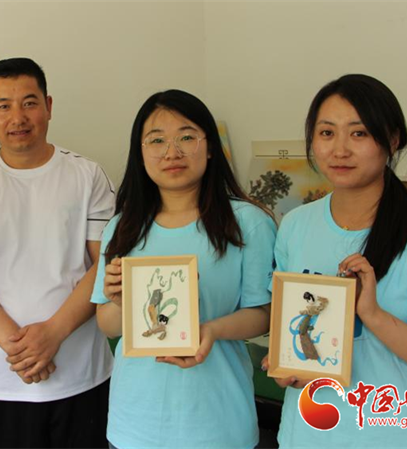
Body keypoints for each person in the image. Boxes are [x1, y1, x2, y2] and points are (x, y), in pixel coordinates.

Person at [267, 74, 407, 448]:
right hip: (305, 435)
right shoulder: (295, 225)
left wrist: (372, 314)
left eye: (358, 133)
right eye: (327, 133)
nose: (339, 149)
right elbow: (289, 327)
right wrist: (284, 365)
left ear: (392, 140)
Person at [0, 57, 115, 449]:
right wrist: (20, 348)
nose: (17, 117)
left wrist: (53, 334)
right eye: (4, 106)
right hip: (0, 381)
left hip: (83, 377)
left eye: (29, 103)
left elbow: (104, 264)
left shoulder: (88, 175)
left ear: (49, 106)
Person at [93, 89, 276, 449]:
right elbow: (108, 325)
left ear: (210, 147)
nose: (171, 152)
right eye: (156, 140)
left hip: (219, 424)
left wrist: (210, 330)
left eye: (187, 137)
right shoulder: (122, 227)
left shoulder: (248, 223)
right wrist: (118, 301)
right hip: (134, 425)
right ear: (140, 152)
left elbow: (264, 315)